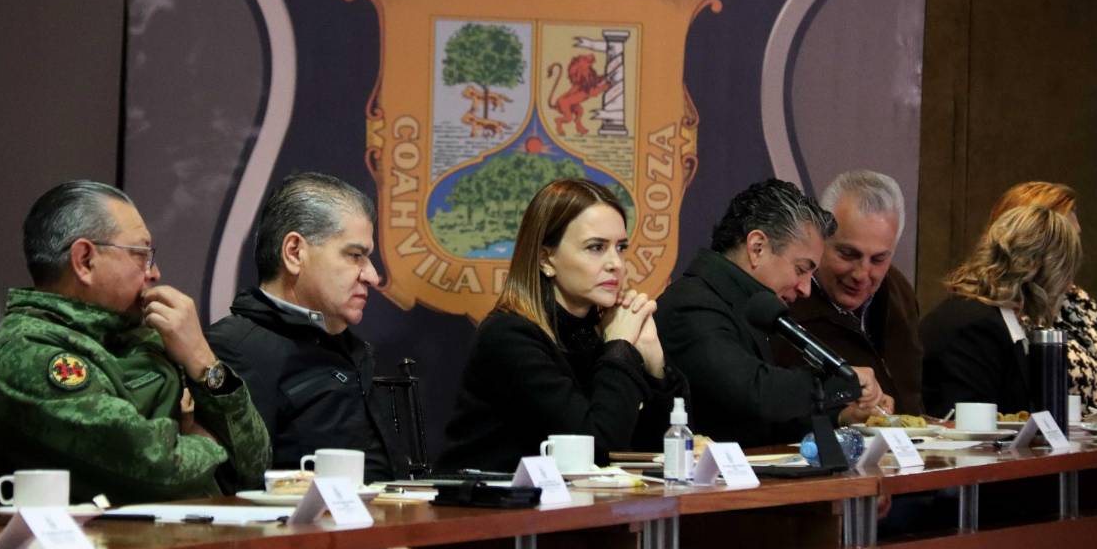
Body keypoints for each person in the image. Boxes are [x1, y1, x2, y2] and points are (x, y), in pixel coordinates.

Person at [0, 181, 271, 505]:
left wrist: (203, 361)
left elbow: (256, 466)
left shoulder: (152, 336)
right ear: (84, 260)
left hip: (205, 542)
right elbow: (156, 469)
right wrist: (210, 443)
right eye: (142, 255)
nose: (155, 272)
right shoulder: (27, 354)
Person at [440, 179, 688, 472]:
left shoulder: (598, 331)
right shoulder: (509, 336)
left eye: (620, 248)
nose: (616, 264)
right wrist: (620, 348)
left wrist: (654, 363)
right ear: (546, 259)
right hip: (487, 512)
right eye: (596, 247)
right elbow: (595, 449)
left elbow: (665, 450)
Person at [207, 173, 406, 483]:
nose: (373, 276)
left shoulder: (348, 346)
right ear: (294, 253)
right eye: (356, 255)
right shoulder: (232, 350)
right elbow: (236, 490)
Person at [657, 179, 884, 447]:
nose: (805, 289)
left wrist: (842, 415)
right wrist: (840, 383)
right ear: (757, 248)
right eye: (801, 269)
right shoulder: (690, 305)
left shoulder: (746, 306)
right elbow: (753, 393)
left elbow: (758, 425)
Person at [770, 170, 921, 416]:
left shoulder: (899, 293)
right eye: (848, 254)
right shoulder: (784, 301)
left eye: (879, 259)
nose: (862, 274)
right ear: (819, 239)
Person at [921, 205, 1082, 417]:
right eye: (1064, 271)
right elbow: (971, 433)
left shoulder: (990, 318)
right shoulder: (977, 327)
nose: (1068, 285)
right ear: (1034, 266)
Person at [985, 182, 1097, 411]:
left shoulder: (1079, 302)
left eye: (1075, 240)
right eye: (1064, 243)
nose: (1075, 254)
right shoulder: (1007, 312)